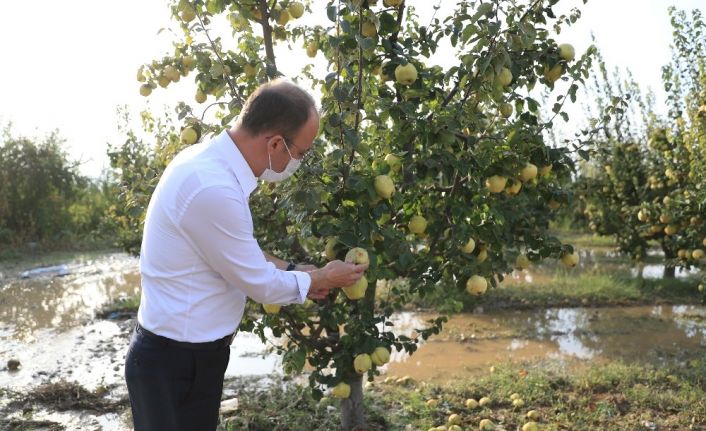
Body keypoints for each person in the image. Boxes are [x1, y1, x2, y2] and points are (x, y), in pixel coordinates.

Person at [124, 80, 367, 431]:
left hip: (191, 356)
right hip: (174, 362)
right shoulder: (213, 187)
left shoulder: (209, 165)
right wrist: (322, 278)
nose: (298, 162)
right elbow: (262, 285)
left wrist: (300, 271)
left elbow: (239, 253)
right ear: (274, 143)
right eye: (300, 153)